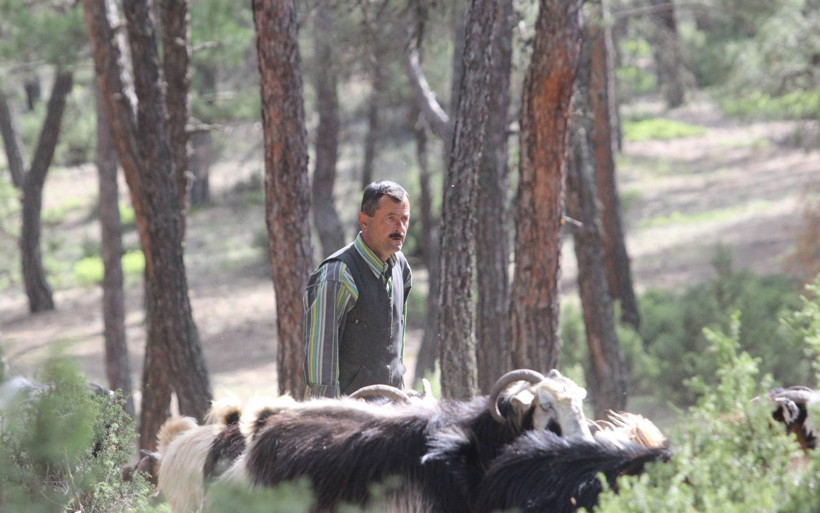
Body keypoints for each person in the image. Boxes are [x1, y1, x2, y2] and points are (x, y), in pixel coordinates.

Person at [303, 181, 413, 398]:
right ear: (364, 221)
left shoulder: (402, 268)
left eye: (404, 219)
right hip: (348, 420)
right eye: (390, 218)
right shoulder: (338, 275)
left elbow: (394, 350)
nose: (399, 228)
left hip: (392, 414)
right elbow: (320, 370)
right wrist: (327, 419)